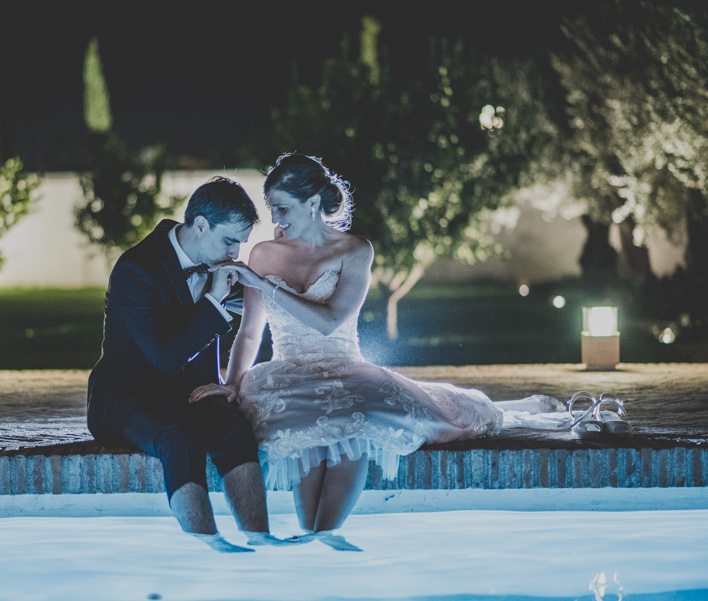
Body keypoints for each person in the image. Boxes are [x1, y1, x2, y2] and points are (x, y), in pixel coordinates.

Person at [190, 154, 565, 551]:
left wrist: (267, 287)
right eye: (272, 209)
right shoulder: (262, 255)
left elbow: (331, 320)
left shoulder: (355, 251)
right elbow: (249, 332)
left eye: (282, 208)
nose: (276, 219)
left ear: (313, 203)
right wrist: (232, 383)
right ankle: (316, 535)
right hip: (286, 369)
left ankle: (326, 532)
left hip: (343, 365)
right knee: (303, 424)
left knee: (356, 417)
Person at [87, 176, 299, 552]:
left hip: (192, 389)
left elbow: (262, 317)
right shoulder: (136, 269)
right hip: (128, 393)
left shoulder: (221, 266)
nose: (236, 252)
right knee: (178, 437)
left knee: (234, 429)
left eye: (240, 242)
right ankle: (209, 543)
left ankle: (260, 537)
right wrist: (215, 302)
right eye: (229, 240)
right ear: (201, 224)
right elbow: (165, 358)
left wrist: (261, 286)